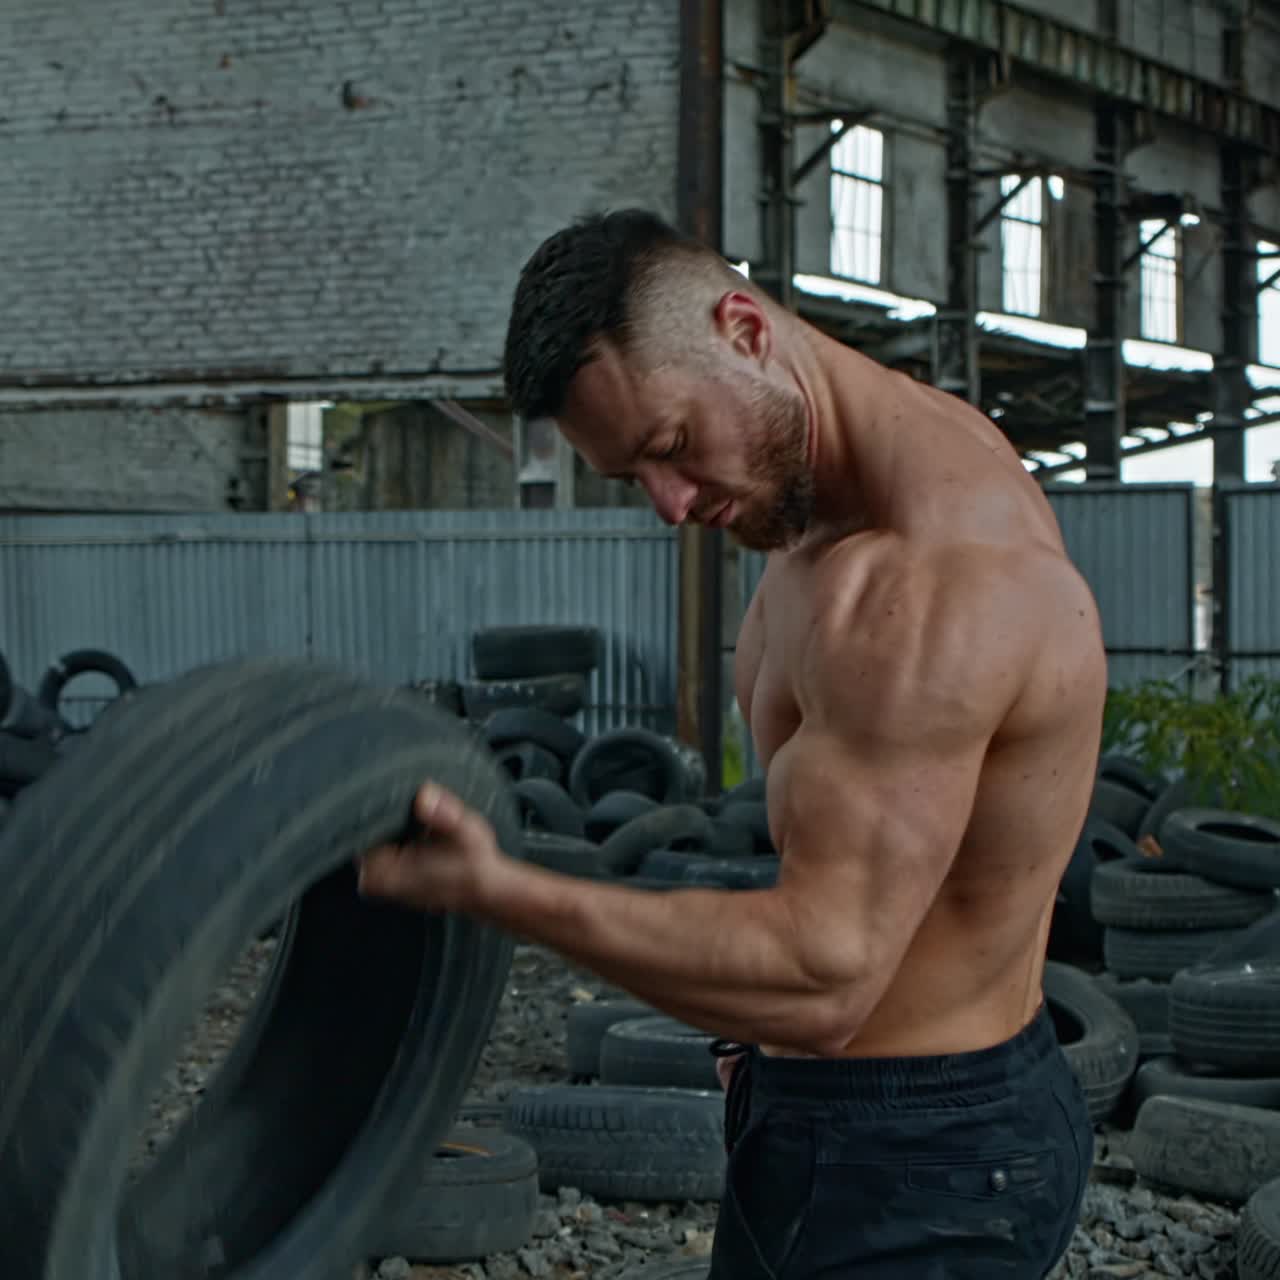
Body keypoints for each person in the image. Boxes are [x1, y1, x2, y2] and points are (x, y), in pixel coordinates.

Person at [358, 208, 1104, 1278]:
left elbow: (826, 978)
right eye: (633, 477)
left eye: (668, 447)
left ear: (742, 329)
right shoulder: (814, 493)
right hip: (844, 1109)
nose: (667, 505)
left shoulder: (921, 582)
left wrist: (500, 887)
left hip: (914, 1157)